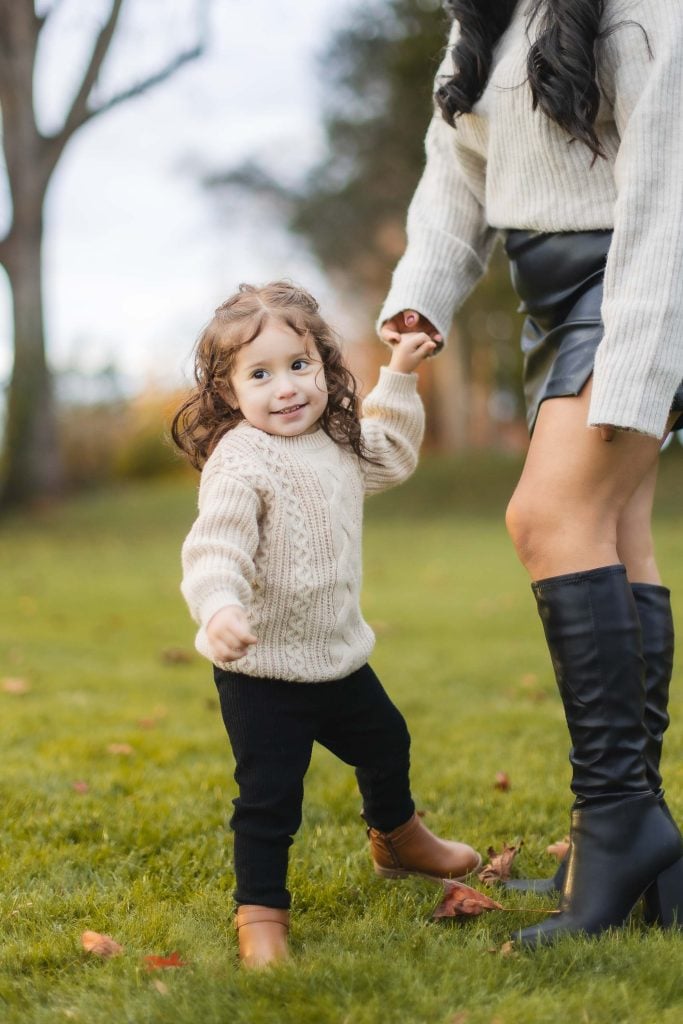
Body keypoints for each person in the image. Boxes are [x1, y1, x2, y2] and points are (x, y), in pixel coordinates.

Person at [378, 0, 683, 945]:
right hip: (546, 297)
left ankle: (617, 822)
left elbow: (667, 190)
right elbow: (455, 173)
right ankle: (639, 847)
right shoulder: (485, 19)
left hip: (633, 282)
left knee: (546, 519)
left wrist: (637, 363)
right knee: (611, 534)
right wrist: (422, 294)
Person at [172, 281, 481, 969]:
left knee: (385, 741)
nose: (285, 388)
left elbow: (394, 454)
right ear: (227, 393)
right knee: (269, 799)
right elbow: (214, 545)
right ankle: (260, 915)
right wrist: (219, 606)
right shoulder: (240, 460)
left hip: (338, 657)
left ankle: (397, 838)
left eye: (298, 365)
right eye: (260, 374)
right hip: (261, 673)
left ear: (323, 365)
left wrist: (399, 372)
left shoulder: (335, 440)